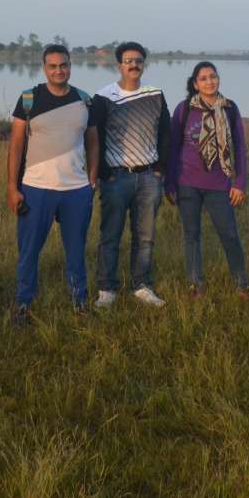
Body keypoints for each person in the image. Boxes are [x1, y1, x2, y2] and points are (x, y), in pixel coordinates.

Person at [6, 44, 98, 321]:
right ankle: (23, 304)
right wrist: (12, 187)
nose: (59, 70)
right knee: (29, 251)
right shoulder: (29, 99)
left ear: (70, 66)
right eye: (53, 66)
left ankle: (80, 303)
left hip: (76, 190)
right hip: (36, 188)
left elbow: (93, 143)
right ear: (44, 68)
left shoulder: (85, 100)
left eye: (64, 65)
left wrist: (92, 180)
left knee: (76, 251)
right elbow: (16, 146)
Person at [90, 42, 171, 309]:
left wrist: (160, 168)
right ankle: (107, 288)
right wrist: (103, 172)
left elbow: (165, 132)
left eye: (138, 60)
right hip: (116, 178)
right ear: (119, 65)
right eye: (128, 61)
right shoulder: (104, 97)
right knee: (110, 235)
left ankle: (142, 285)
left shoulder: (155, 94)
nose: (134, 65)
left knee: (145, 237)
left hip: (148, 177)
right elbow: (94, 137)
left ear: (143, 64)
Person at [165, 61, 249, 295]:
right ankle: (195, 284)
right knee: (191, 236)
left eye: (213, 76)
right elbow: (173, 147)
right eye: (203, 78)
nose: (209, 82)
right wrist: (169, 183)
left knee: (229, 234)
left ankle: (241, 285)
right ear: (195, 84)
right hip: (186, 184)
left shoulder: (229, 108)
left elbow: (240, 148)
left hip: (219, 184)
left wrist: (240, 182)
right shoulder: (184, 109)